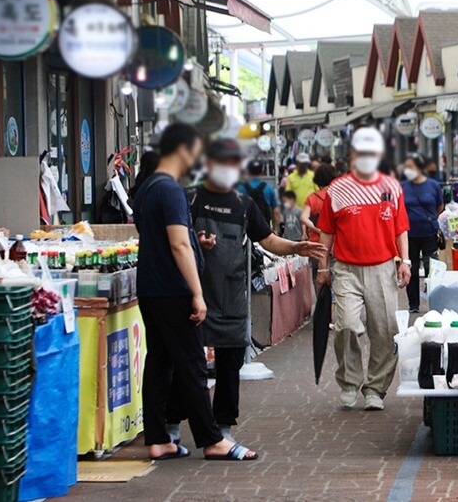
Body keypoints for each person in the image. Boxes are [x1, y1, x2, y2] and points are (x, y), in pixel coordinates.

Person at [182, 139, 326, 442]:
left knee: (230, 364)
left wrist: (295, 247)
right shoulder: (190, 199)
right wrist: (199, 242)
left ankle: (222, 429)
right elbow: (179, 241)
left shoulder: (243, 204)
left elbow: (268, 240)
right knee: (188, 364)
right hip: (195, 292)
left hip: (232, 294)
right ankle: (175, 425)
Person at [131, 123, 257, 461]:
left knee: (159, 361)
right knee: (192, 364)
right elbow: (177, 245)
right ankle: (212, 439)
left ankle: (158, 438)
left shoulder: (146, 188)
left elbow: (170, 239)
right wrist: (198, 293)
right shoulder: (170, 189)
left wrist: (195, 242)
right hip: (173, 289)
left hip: (151, 289)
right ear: (183, 150)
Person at [316, 127, 411, 411]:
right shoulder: (337, 189)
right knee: (345, 325)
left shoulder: (392, 187)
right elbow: (326, 234)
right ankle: (349, 382)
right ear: (353, 156)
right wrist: (323, 268)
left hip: (383, 267)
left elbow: (401, 229)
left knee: (384, 330)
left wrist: (404, 261)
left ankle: (375, 389)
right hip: (346, 269)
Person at [400, 154, 444, 313]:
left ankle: (434, 301)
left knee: (431, 268)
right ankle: (413, 304)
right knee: (410, 267)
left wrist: (432, 219)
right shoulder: (402, 186)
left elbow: (440, 206)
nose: (408, 170)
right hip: (409, 234)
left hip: (429, 233)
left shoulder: (433, 185)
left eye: (411, 167)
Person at [301, 164, 340, 244]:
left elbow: (303, 218)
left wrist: (317, 230)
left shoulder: (312, 197)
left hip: (316, 243)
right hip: (336, 242)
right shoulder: (339, 196)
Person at [237, 160, 280, 230]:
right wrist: (274, 228)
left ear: (248, 171)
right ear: (262, 171)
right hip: (264, 228)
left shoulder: (240, 188)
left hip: (245, 228)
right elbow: (276, 211)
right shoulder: (269, 188)